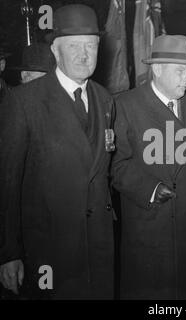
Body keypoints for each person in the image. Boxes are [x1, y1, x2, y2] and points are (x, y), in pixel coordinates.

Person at [0, 4, 115, 299]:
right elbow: (7, 181)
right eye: (74, 46)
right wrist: (8, 252)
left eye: (90, 46)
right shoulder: (24, 102)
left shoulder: (105, 100)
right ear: (55, 51)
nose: (83, 55)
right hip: (48, 252)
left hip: (98, 249)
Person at [112, 34, 186, 299]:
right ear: (157, 70)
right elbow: (116, 165)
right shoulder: (125, 106)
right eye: (181, 71)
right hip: (150, 224)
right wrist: (149, 188)